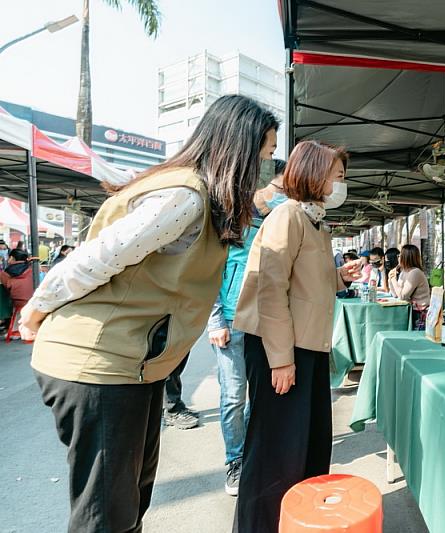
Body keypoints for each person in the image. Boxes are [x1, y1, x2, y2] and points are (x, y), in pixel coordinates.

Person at [18, 94, 280, 533]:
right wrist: (36, 309)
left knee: (130, 501)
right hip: (98, 365)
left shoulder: (207, 200)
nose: (267, 167)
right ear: (238, 150)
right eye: (264, 154)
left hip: (133, 367)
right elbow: (96, 258)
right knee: (106, 515)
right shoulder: (184, 196)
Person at [232, 140, 360, 532]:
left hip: (309, 346)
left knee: (308, 442)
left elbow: (304, 284)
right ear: (315, 175)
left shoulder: (314, 221)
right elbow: (270, 289)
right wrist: (281, 359)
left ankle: (301, 520)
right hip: (283, 349)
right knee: (276, 448)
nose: (341, 184)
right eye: (337, 177)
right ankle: (262, 525)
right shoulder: (286, 216)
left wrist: (339, 278)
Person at [206, 158, 288, 496]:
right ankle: (236, 461)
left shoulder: (281, 220)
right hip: (231, 322)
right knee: (233, 396)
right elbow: (208, 273)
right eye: (278, 187)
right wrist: (215, 320)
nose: (282, 195)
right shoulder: (230, 219)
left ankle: (253, 453)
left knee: (262, 394)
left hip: (265, 323)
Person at [389, 244, 431, 328]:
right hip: (411, 311)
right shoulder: (404, 271)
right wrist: (390, 278)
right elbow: (395, 294)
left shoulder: (415, 272)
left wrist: (393, 279)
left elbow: (402, 296)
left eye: (400, 255)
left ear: (406, 257)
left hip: (420, 313)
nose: (398, 257)